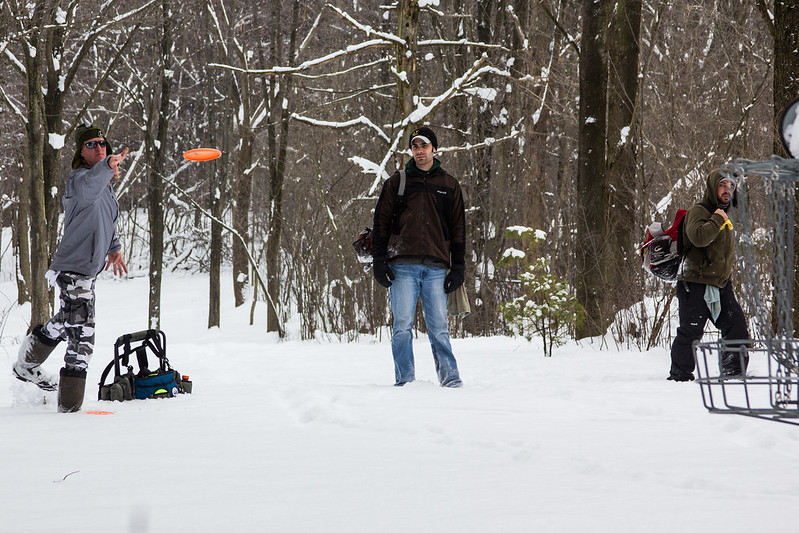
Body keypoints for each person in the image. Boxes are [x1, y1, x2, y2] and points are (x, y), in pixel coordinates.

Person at [13, 123, 129, 412]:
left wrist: (113, 248)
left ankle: (26, 364)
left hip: (86, 270)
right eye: (91, 145)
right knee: (82, 338)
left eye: (102, 144)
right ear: (80, 152)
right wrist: (106, 168)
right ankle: (69, 410)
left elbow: (105, 219)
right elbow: (90, 191)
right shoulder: (80, 181)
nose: (99, 148)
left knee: (68, 320)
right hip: (74, 269)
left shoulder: (106, 188)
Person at [371, 126, 465, 388]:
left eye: (424, 146)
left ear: (434, 148)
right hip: (402, 265)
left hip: (436, 267)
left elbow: (459, 229)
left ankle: (451, 381)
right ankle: (405, 382)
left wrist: (458, 267)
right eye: (415, 146)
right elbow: (380, 223)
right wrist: (380, 261)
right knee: (401, 327)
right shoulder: (397, 182)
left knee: (439, 329)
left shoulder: (449, 185)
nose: (419, 151)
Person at [668, 169, 750, 381]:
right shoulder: (699, 211)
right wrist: (716, 218)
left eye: (731, 187)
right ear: (713, 188)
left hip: (720, 283)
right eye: (723, 185)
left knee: (737, 327)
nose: (727, 190)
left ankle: (733, 373)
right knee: (691, 331)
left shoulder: (724, 215)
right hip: (694, 281)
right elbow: (698, 238)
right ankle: (680, 375)